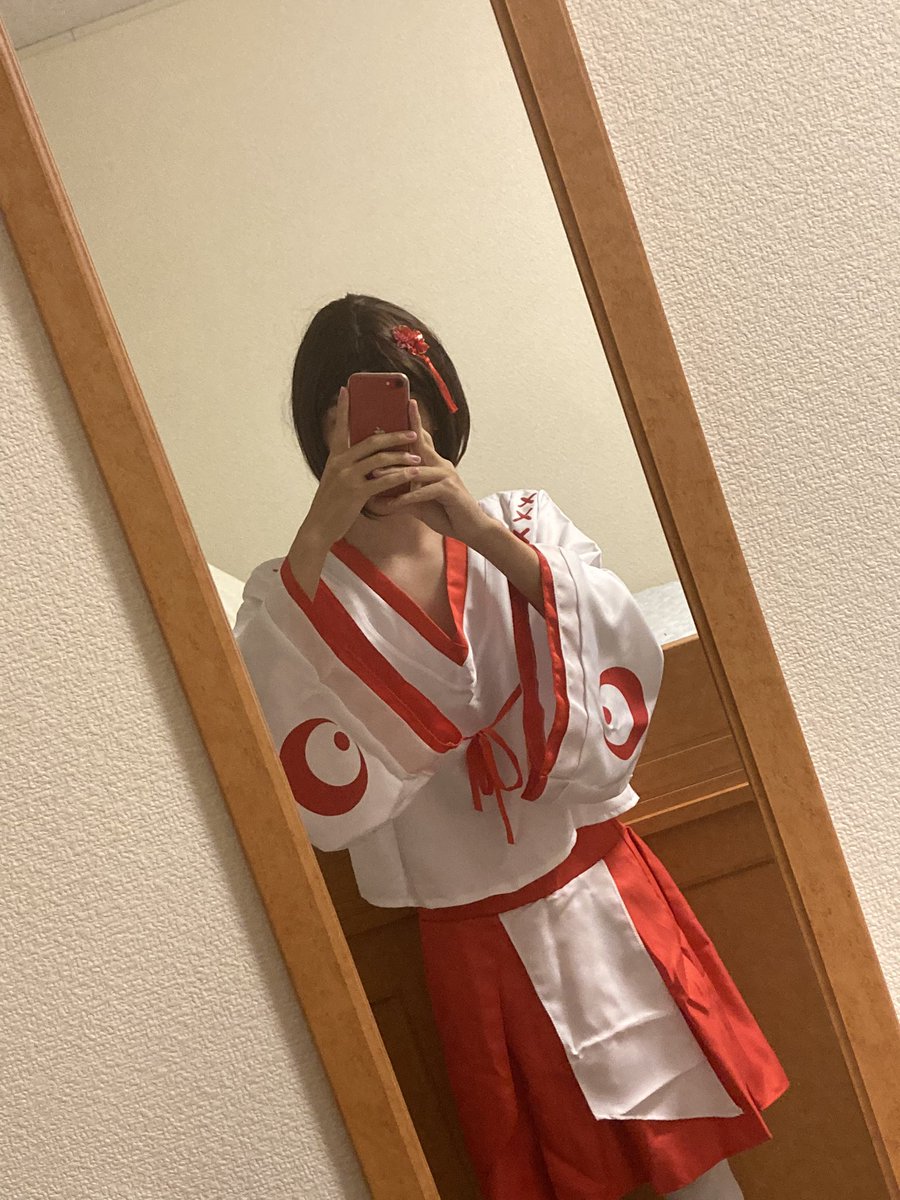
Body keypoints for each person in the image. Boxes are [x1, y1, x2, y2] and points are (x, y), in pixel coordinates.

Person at [234, 294, 789, 1200]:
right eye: (349, 420)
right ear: (319, 435)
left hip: (596, 890)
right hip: (469, 934)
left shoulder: (522, 522)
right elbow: (259, 712)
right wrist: (316, 535)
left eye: (403, 406)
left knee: (696, 1163)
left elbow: (611, 632)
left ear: (436, 407)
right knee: (549, 1175)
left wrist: (479, 531)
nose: (383, 440)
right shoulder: (291, 589)